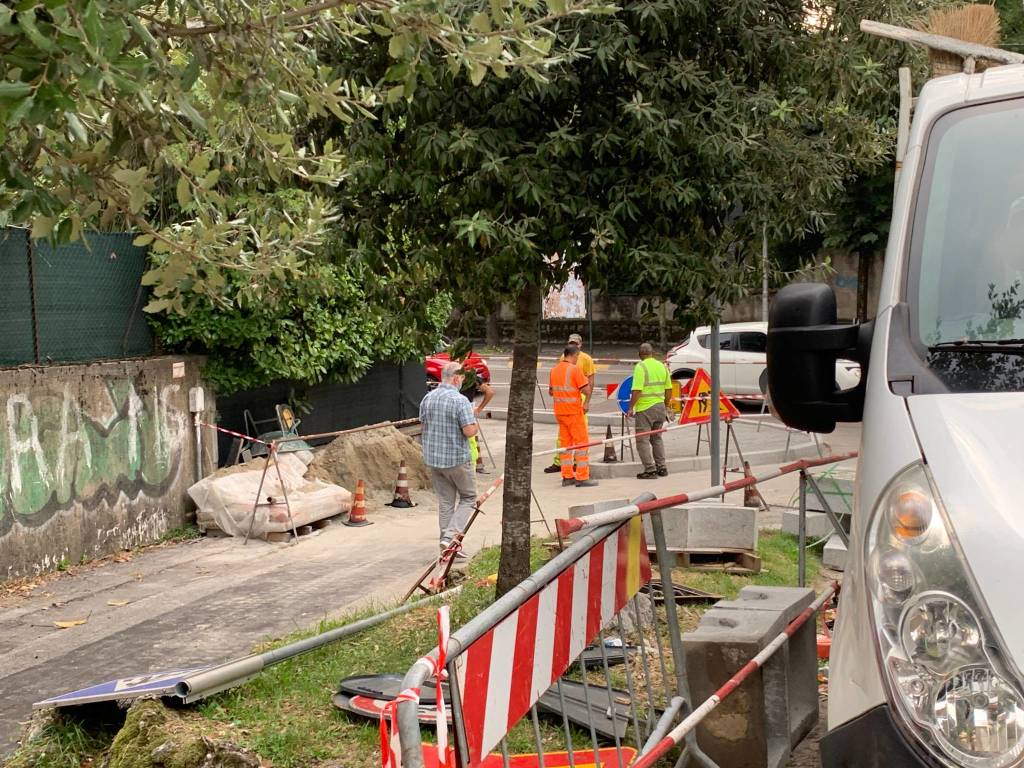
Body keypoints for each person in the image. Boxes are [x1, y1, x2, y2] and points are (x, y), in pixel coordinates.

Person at [419, 362, 478, 554]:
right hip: (456, 459)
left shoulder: (427, 398)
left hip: (434, 459)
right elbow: (469, 431)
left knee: (446, 502)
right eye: (461, 378)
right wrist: (475, 421)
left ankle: (446, 545)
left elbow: (423, 424)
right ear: (455, 378)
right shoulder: (459, 400)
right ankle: (450, 537)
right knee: (469, 497)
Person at [544, 334, 596, 474]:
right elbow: (587, 389)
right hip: (574, 411)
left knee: (564, 443)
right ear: (574, 355)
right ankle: (581, 475)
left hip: (560, 412)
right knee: (581, 443)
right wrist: (586, 401)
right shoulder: (575, 369)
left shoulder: (554, 369)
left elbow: (551, 391)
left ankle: (566, 474)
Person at [627, 342, 672, 479]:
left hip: (645, 408)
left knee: (642, 440)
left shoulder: (640, 367)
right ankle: (662, 467)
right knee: (657, 438)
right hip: (660, 407)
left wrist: (630, 408)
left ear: (640, 355)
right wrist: (665, 405)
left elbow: (637, 391)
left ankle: (650, 469)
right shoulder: (662, 366)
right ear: (652, 353)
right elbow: (668, 389)